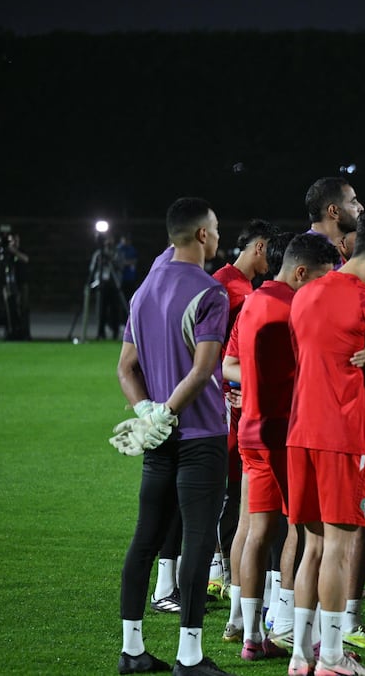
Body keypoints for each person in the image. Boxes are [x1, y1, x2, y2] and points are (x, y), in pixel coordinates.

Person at [113, 197, 233, 676]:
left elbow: (125, 368)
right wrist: (166, 411)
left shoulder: (144, 289)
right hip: (200, 435)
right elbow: (203, 371)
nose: (219, 235)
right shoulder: (210, 292)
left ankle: (132, 651)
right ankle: (190, 656)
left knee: (145, 538)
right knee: (198, 542)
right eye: (216, 227)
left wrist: (148, 412)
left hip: (159, 439)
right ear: (202, 234)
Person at [285, 223, 365, 676]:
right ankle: (332, 657)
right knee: (338, 547)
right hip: (343, 437)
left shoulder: (305, 294)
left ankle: (301, 655)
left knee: (312, 547)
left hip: (301, 432)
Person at [220, 233, 338, 662]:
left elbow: (231, 363)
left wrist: (255, 385)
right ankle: (295, 627)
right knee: (307, 532)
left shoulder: (254, 301)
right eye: (321, 278)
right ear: (301, 272)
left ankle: (251, 635)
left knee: (256, 531)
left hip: (251, 430)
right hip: (288, 434)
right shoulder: (297, 307)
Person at [212, 218, 280, 609]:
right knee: (230, 487)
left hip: (241, 396)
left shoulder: (246, 288)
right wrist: (227, 389)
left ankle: (227, 578)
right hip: (230, 398)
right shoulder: (228, 287)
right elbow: (212, 347)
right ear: (259, 246)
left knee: (241, 489)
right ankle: (218, 569)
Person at [305, 177, 364, 264]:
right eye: (353, 202)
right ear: (334, 211)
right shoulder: (309, 256)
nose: (361, 208)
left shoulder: (337, 252)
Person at [0, 225, 30, 340]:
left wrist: (15, 251)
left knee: (23, 308)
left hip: (22, 282)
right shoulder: (8, 251)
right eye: (12, 240)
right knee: (10, 308)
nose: (14, 242)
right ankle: (12, 331)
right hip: (11, 283)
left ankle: (24, 332)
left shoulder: (20, 250)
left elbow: (26, 259)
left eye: (16, 240)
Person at [89, 234, 125, 340]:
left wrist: (111, 261)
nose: (108, 242)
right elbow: (92, 268)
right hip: (102, 285)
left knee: (115, 310)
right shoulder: (99, 254)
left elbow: (121, 266)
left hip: (114, 285)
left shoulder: (118, 253)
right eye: (107, 240)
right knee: (101, 310)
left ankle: (115, 332)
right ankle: (101, 332)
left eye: (110, 239)